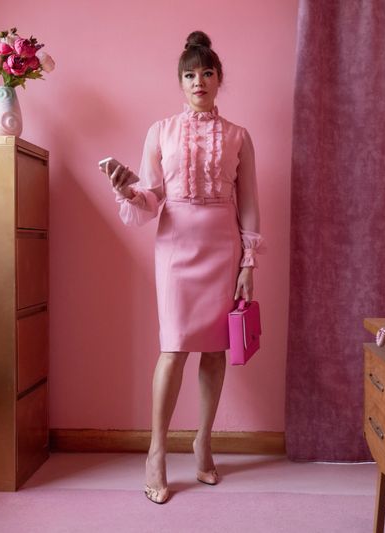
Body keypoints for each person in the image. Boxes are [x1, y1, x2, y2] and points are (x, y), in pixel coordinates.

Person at [99, 30, 263, 505]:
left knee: (214, 352)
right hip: (175, 248)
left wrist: (248, 262)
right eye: (190, 75)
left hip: (222, 247)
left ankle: (203, 440)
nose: (199, 81)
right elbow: (151, 199)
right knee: (173, 348)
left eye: (207, 73)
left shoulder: (239, 136)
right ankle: (156, 452)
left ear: (219, 79)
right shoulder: (160, 131)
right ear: (180, 82)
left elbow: (249, 204)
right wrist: (127, 189)